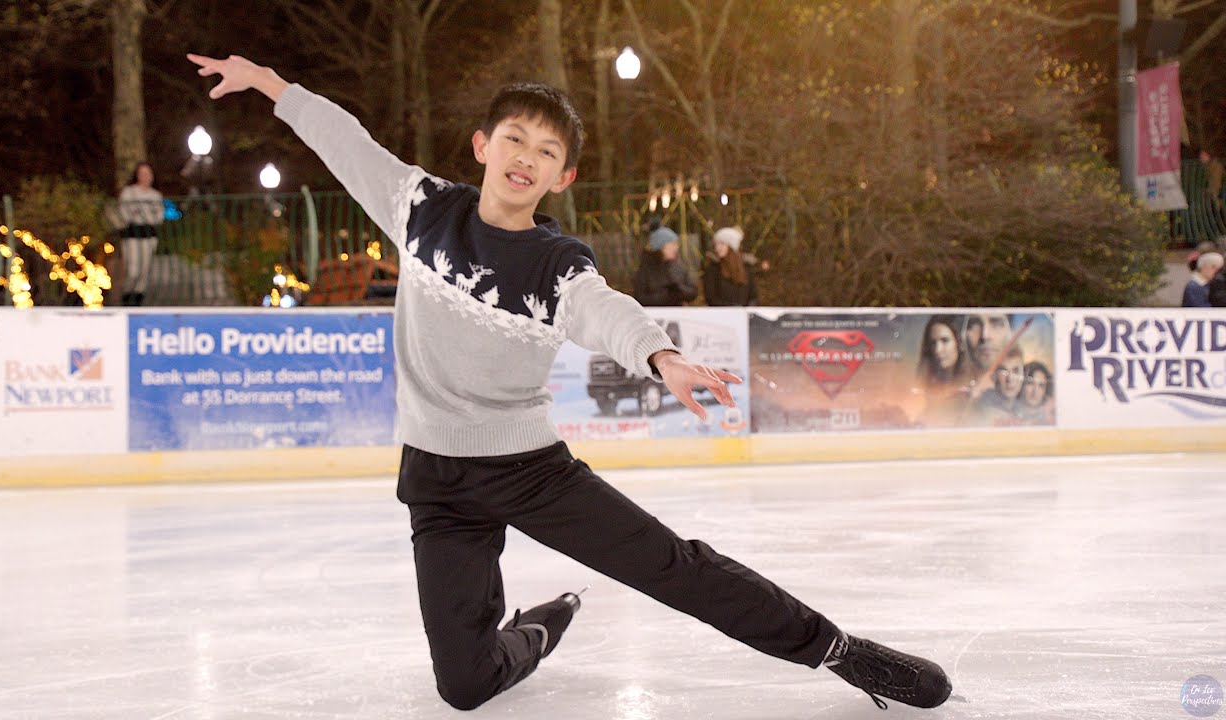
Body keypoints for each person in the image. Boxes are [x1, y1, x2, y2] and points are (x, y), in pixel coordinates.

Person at [186, 53, 950, 713]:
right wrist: (268, 84)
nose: (526, 155)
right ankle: (541, 627)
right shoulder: (419, 209)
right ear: (483, 145)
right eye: (514, 137)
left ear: (562, 175)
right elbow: (344, 141)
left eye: (546, 150)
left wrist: (661, 356)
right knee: (463, 686)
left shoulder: (556, 265)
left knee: (674, 569)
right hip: (437, 479)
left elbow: (604, 310)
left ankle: (839, 650)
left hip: (530, 473)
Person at [117, 162, 165, 306]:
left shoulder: (155, 195)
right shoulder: (129, 192)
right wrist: (140, 215)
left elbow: (158, 217)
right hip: (132, 235)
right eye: (142, 173)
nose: (145, 177)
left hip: (149, 235)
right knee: (133, 269)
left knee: (145, 269)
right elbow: (125, 214)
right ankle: (127, 295)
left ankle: (138, 299)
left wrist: (144, 216)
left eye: (148, 174)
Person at [632, 225, 699, 306]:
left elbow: (692, 292)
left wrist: (680, 290)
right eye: (673, 244)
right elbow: (640, 298)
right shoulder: (645, 270)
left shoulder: (678, 267)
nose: (676, 248)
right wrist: (666, 296)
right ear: (662, 247)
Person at [702, 226, 758, 306]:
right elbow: (710, 298)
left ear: (732, 246)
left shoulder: (746, 268)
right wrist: (731, 308)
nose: (717, 248)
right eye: (716, 244)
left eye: (722, 244)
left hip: (744, 316)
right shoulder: (713, 270)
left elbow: (753, 296)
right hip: (721, 316)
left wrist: (748, 309)